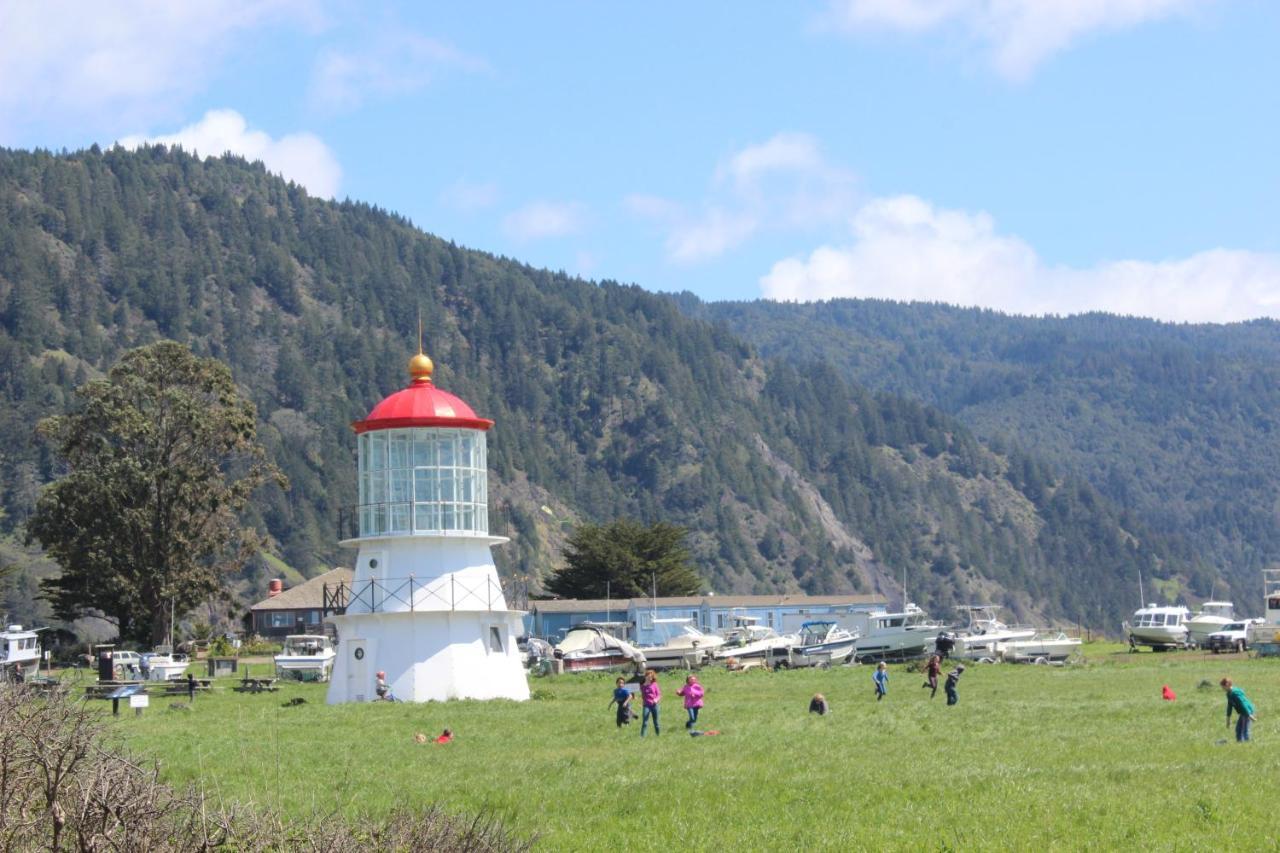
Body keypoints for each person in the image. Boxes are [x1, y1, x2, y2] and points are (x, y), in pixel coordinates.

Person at [1221, 678, 1257, 743]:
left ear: (1227, 685)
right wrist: (1228, 720)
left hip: (1247, 710)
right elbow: (1229, 706)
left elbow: (1242, 704)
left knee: (1245, 729)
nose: (1222, 689)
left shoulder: (1235, 694)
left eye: (1223, 687)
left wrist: (1249, 715)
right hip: (1243, 712)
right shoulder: (1229, 694)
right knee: (1238, 728)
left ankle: (1247, 743)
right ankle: (1239, 742)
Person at [640, 669, 661, 737]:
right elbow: (634, 690)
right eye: (648, 676)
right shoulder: (642, 686)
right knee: (645, 721)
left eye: (651, 676)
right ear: (645, 676)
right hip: (646, 705)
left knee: (656, 722)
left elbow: (659, 695)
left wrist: (656, 700)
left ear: (652, 678)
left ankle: (658, 735)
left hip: (654, 705)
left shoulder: (655, 684)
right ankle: (642, 736)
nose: (649, 677)